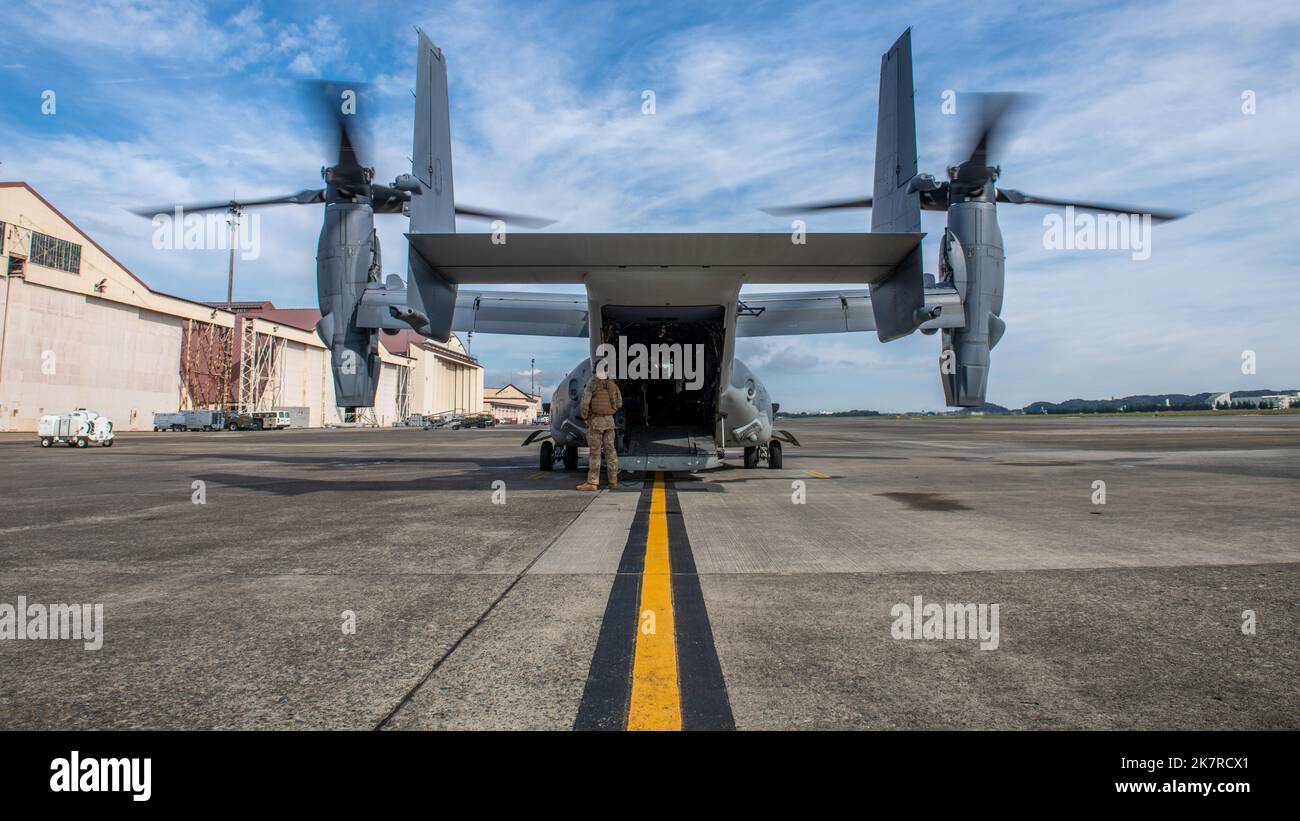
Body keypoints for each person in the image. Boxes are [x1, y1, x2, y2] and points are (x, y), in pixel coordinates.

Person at [577, 367, 622, 491]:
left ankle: (592, 482)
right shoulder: (613, 385)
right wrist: (610, 412)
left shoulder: (592, 384)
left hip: (596, 422)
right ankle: (613, 482)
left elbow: (584, 403)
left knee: (595, 453)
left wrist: (585, 417)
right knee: (611, 452)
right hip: (609, 422)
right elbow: (619, 403)